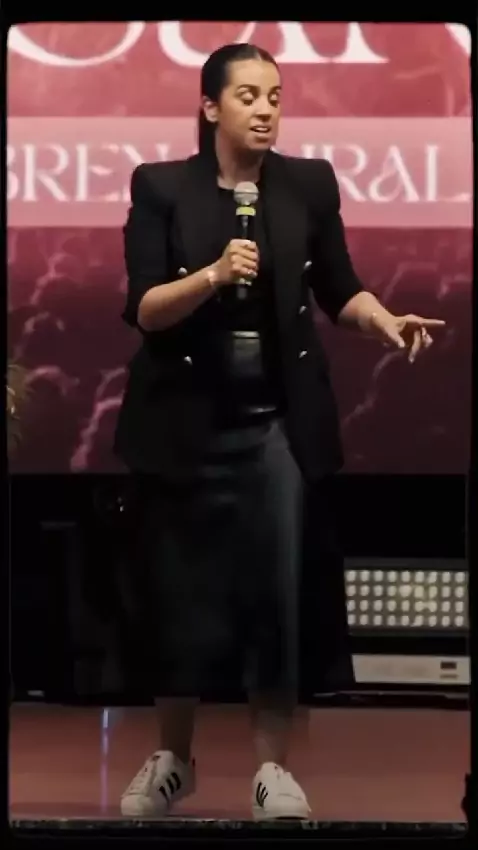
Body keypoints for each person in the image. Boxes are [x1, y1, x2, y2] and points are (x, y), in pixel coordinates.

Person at [114, 42, 445, 821]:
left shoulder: (308, 185)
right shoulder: (161, 187)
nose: (266, 110)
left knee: (276, 594)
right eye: (249, 96)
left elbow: (341, 287)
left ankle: (272, 770)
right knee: (178, 596)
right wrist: (211, 275)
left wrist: (381, 319)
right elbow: (145, 308)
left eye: (276, 96)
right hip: (182, 424)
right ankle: (174, 760)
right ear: (210, 107)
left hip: (275, 425)